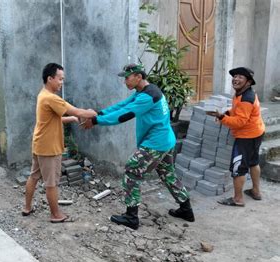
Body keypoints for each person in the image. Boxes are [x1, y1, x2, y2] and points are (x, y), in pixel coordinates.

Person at [83, 63, 194, 230]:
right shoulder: (146, 91)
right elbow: (122, 106)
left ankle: (131, 217)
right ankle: (186, 209)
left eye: (127, 78)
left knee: (131, 172)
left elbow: (124, 115)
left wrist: (96, 121)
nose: (125, 82)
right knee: (168, 175)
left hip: (155, 144)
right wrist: (99, 113)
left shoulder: (147, 97)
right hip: (166, 141)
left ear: (138, 77)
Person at [22, 63, 97, 223]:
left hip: (39, 143)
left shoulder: (42, 95)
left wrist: (72, 119)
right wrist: (95, 114)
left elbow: (53, 119)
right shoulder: (52, 98)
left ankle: (27, 208)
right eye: (60, 79)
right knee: (51, 183)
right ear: (50, 79)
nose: (62, 82)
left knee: (34, 176)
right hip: (49, 147)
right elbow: (78, 111)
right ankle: (55, 215)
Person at [207, 67, 265, 207]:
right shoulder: (242, 93)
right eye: (235, 76)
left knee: (238, 168)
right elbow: (237, 110)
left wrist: (221, 117)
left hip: (246, 136)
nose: (236, 79)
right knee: (253, 162)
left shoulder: (246, 98)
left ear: (248, 82)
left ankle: (238, 199)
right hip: (256, 132)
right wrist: (227, 113)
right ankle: (256, 191)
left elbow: (239, 122)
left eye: (241, 77)